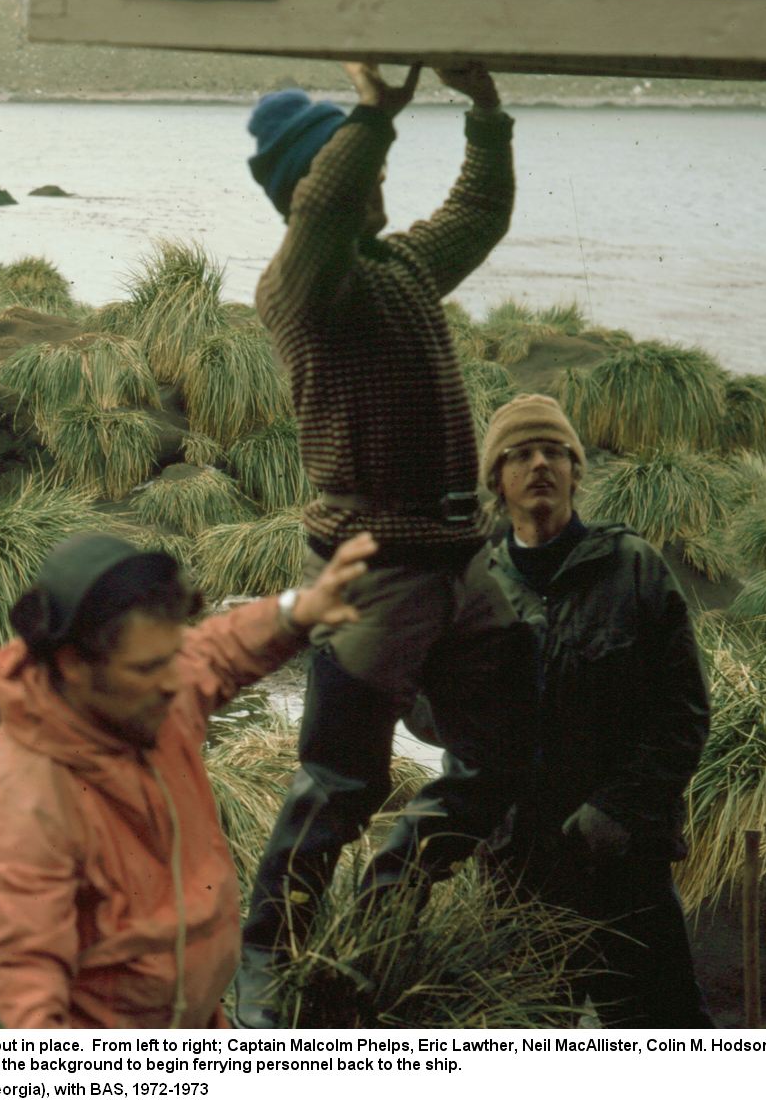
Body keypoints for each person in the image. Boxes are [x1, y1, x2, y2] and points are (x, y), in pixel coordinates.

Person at [233, 61, 535, 1025]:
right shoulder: (297, 286)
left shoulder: (400, 266)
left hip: (462, 560)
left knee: (501, 758)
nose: (375, 180)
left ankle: (389, 896)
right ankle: (264, 956)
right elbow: (319, 212)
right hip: (374, 570)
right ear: (310, 185)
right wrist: (372, 115)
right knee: (340, 779)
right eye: (347, 167)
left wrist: (484, 111)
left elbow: (478, 213)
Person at [0, 529, 377, 1029]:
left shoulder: (134, 698)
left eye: (171, 654)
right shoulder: (16, 820)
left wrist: (298, 609)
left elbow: (211, 653)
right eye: (150, 667)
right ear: (74, 664)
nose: (174, 680)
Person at [418, 394, 711, 1027]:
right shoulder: (472, 583)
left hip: (624, 863)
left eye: (555, 451)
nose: (540, 465)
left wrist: (618, 810)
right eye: (520, 455)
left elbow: (683, 713)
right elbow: (441, 718)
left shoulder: (635, 569)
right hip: (517, 870)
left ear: (578, 471)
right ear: (498, 479)